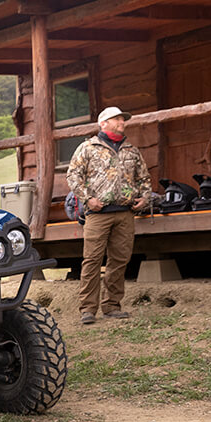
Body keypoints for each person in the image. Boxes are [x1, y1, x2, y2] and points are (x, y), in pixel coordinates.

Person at [66, 106, 152, 325]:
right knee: (92, 261)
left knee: (119, 261)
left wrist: (144, 198)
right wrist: (88, 199)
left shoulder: (131, 150)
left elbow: (144, 179)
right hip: (97, 214)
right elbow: (73, 176)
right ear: (103, 123)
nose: (122, 122)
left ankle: (112, 306)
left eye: (123, 119)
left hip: (125, 214)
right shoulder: (88, 148)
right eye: (117, 119)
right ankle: (87, 309)